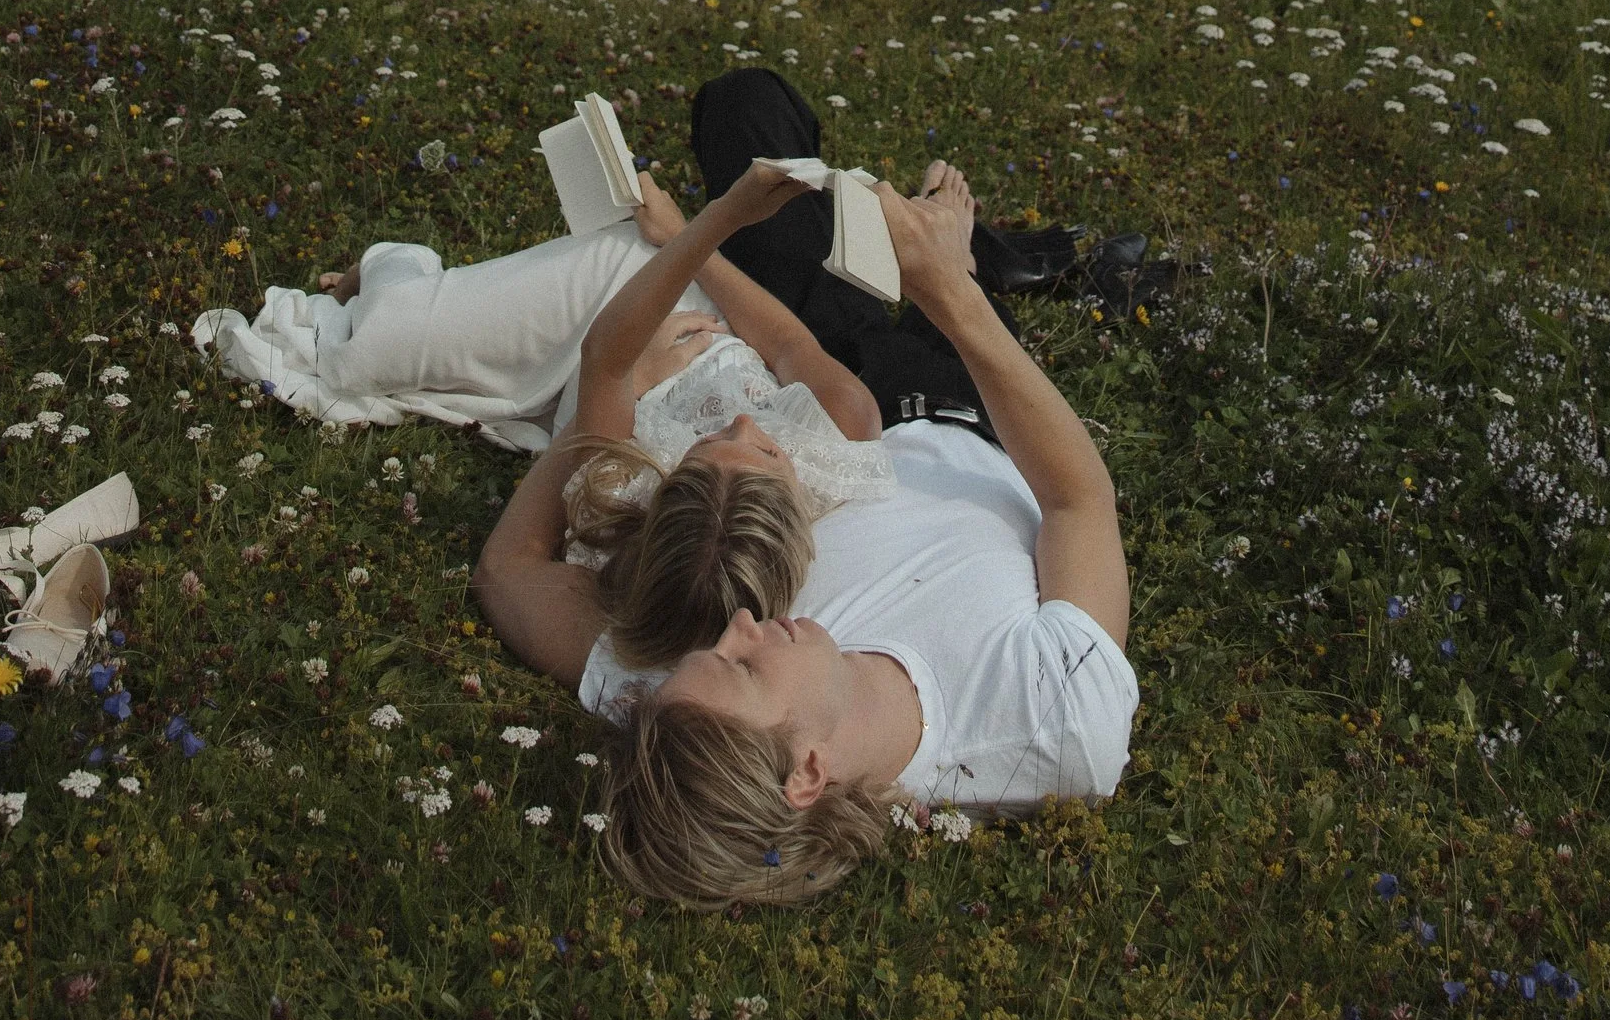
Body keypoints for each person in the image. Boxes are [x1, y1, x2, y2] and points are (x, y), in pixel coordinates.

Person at [584, 168, 1138, 907]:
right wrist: (945, 289)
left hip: (835, 409)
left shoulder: (683, 701)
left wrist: (702, 227)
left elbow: (509, 574)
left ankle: (941, 239)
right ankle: (966, 253)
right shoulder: (1052, 723)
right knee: (906, 258)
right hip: (979, 417)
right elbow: (1078, 503)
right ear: (808, 772)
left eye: (711, 647)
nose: (738, 625)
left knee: (756, 135)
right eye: (743, 667)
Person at [202, 159, 896, 669]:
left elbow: (606, 364)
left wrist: (628, 391)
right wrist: (694, 234)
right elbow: (786, 342)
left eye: (711, 443)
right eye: (758, 444)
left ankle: (415, 295)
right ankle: (391, 268)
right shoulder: (845, 431)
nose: (748, 425)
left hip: (612, 359)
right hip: (640, 289)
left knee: (348, 360)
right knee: (371, 345)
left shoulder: (624, 492)